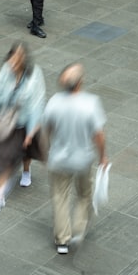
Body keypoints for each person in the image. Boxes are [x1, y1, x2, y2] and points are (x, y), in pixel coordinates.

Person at [42, 62, 108, 254]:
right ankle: (79, 229)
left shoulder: (54, 101)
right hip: (82, 160)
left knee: (59, 197)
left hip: (58, 160)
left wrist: (45, 153)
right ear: (80, 83)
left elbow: (46, 130)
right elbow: (99, 135)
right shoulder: (91, 103)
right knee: (84, 195)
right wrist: (103, 157)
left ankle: (62, 239)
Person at [0, 42, 46, 216]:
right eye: (12, 57)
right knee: (5, 158)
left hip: (26, 123)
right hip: (9, 124)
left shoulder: (33, 76)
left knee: (27, 153)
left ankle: (26, 171)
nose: (13, 61)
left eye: (18, 58)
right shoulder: (6, 72)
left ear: (24, 60)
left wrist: (31, 132)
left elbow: (36, 104)